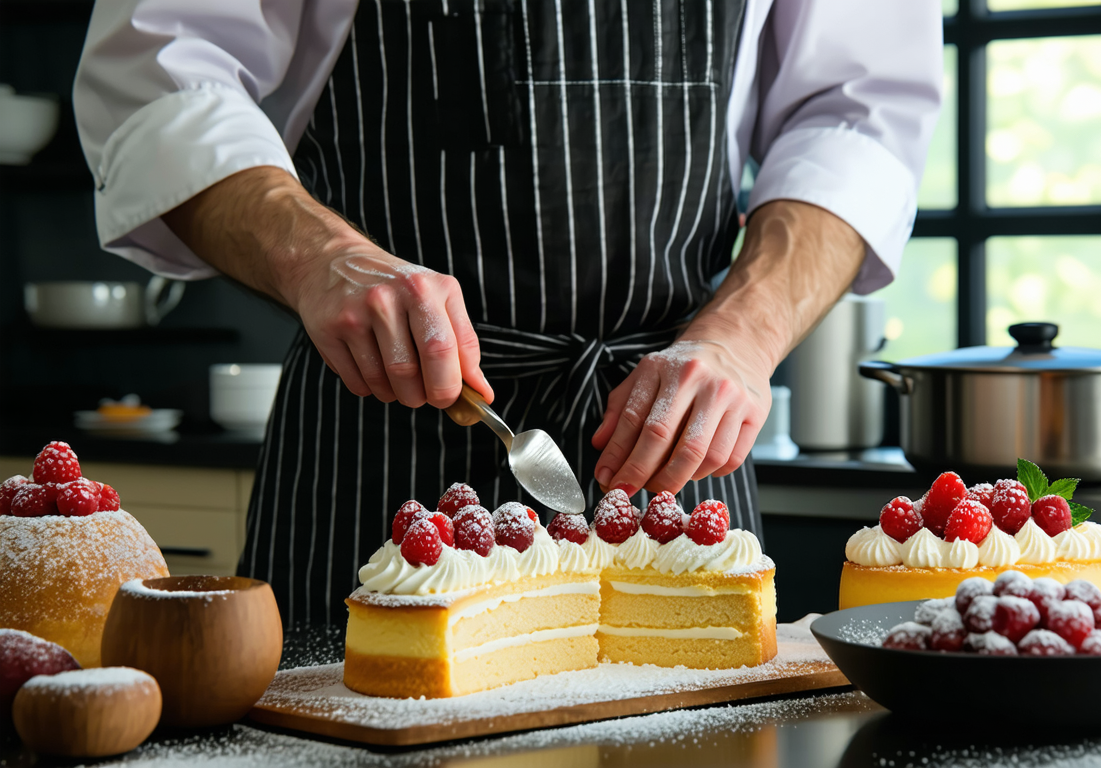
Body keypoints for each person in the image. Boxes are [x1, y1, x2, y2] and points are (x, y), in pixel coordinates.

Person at [74, 0, 942, 624]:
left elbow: (856, 116)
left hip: (680, 436)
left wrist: (744, 333)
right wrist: (320, 255)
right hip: (376, 443)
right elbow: (157, 74)